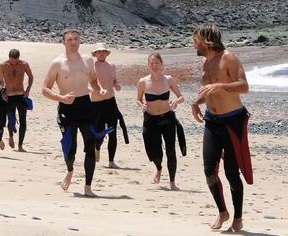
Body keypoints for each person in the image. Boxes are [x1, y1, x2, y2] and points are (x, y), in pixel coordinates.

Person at [191, 24, 253, 232]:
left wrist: (220, 86)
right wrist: (196, 102)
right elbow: (208, 90)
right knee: (209, 170)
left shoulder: (229, 58)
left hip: (232, 120)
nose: (193, 44)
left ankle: (237, 217)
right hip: (212, 120)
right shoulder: (204, 62)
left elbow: (244, 86)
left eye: (195, 40)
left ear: (206, 41)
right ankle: (222, 212)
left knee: (231, 173)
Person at [42, 29, 104, 197]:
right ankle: (70, 170)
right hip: (66, 108)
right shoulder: (57, 63)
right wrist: (60, 97)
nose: (73, 42)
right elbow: (45, 89)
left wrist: (99, 90)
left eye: (76, 39)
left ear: (80, 41)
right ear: (64, 42)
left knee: (90, 146)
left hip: (85, 106)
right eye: (69, 39)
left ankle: (88, 187)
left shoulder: (88, 60)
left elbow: (93, 80)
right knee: (71, 149)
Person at [136, 53, 184, 190]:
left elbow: (181, 97)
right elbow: (138, 99)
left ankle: (172, 182)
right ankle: (158, 168)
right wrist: (142, 105)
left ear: (162, 64)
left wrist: (176, 102)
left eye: (157, 63)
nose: (154, 65)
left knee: (171, 151)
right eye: (151, 63)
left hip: (167, 118)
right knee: (155, 150)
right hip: (151, 120)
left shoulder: (169, 80)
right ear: (148, 65)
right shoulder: (143, 82)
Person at [90, 43, 128, 169]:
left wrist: (116, 85)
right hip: (96, 104)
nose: (101, 53)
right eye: (98, 52)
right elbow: (88, 84)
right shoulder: (91, 66)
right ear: (95, 54)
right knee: (98, 134)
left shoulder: (111, 66)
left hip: (111, 102)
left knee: (113, 132)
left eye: (103, 51)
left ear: (107, 53)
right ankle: (97, 148)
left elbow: (114, 80)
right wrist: (96, 90)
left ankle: (111, 161)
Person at [0, 48, 34, 152]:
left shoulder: (24, 64)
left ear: (19, 58)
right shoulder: (3, 65)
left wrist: (27, 90)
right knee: (11, 119)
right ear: (8, 58)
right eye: (11, 61)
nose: (13, 63)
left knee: (23, 121)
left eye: (15, 61)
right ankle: (10, 136)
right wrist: (2, 92)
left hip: (21, 96)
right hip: (9, 96)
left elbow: (31, 77)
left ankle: (20, 145)